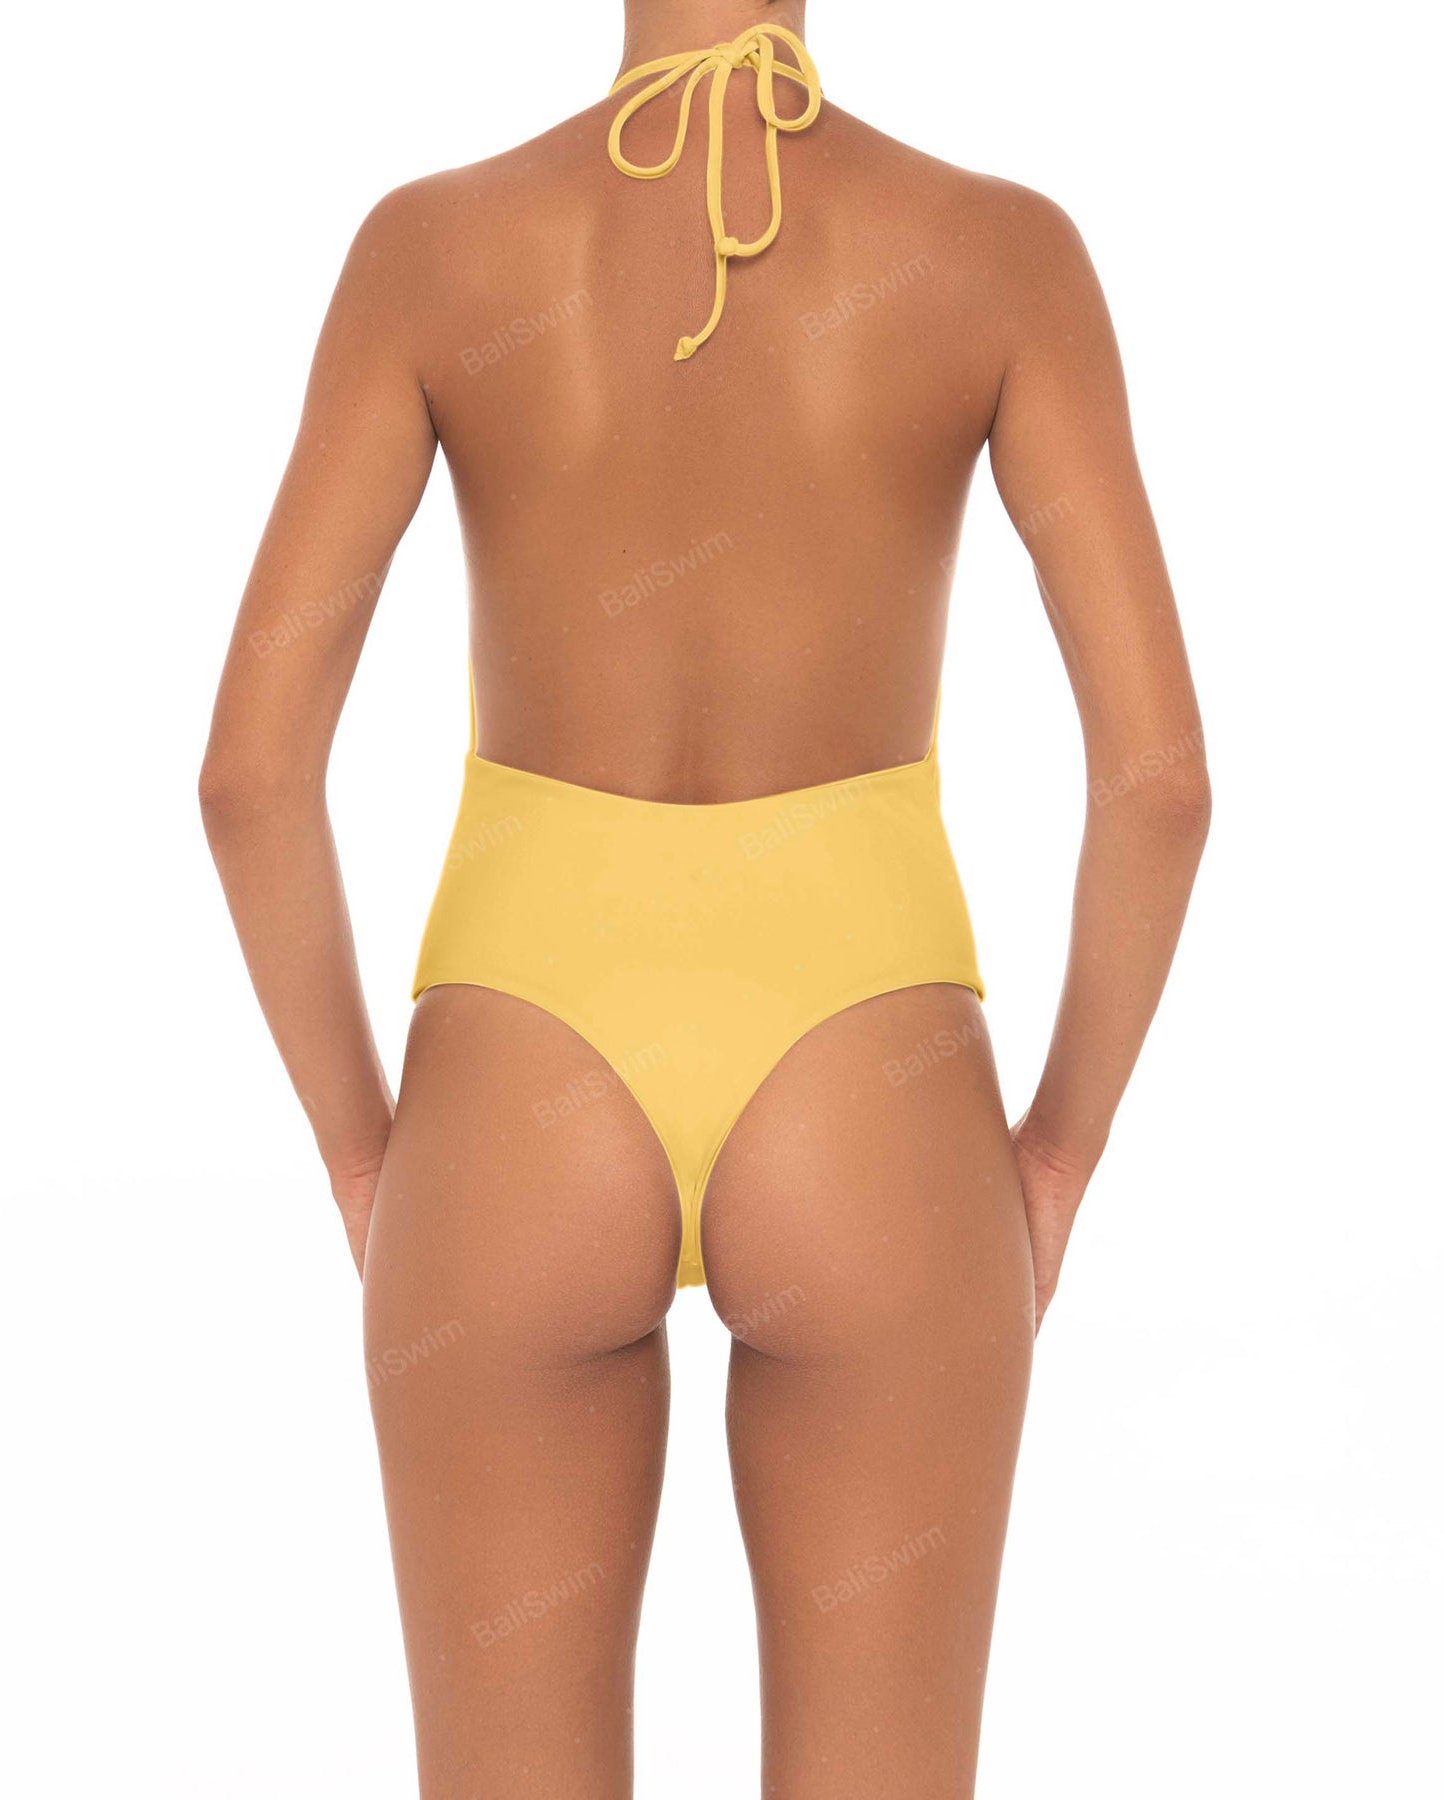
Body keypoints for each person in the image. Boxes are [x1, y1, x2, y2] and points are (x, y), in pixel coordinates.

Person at [200, 3, 1210, 1793]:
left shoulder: (434, 252)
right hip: (873, 1083)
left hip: (517, 1077)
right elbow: (1159, 789)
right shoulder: (1000, 257)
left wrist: (369, 1162)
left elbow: (250, 782)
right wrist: (1055, 1157)